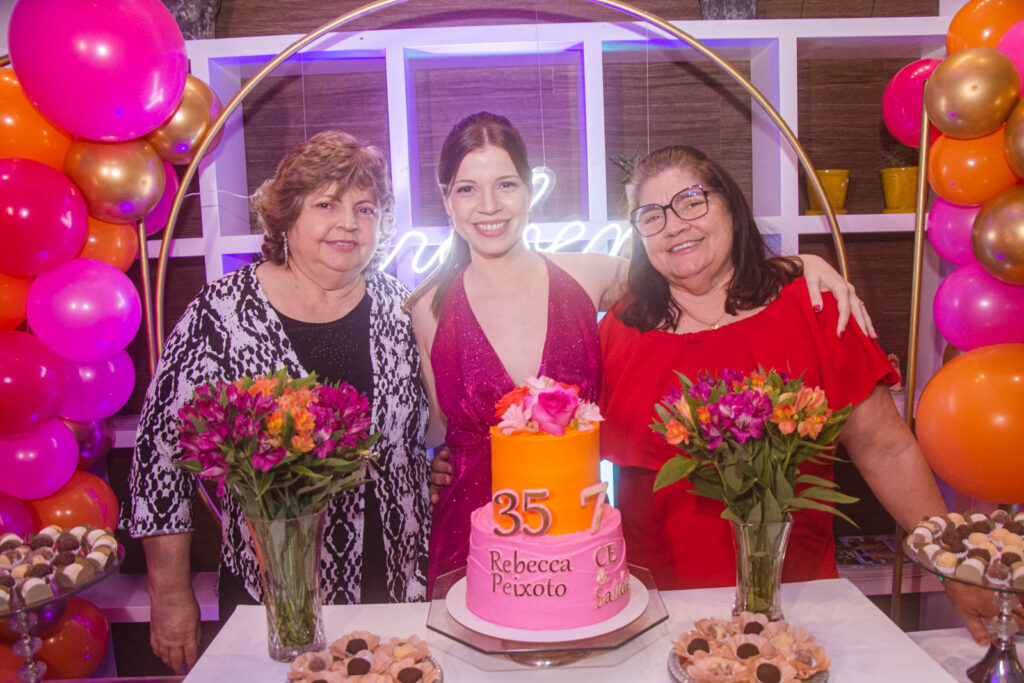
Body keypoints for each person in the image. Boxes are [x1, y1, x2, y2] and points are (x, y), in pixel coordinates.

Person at [413, 112, 872, 594]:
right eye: (467, 189)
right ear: (447, 200)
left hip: (577, 526)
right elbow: (434, 430)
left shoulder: (587, 277)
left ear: (531, 191)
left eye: (505, 184)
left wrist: (802, 263)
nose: (488, 205)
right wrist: (429, 469)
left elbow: (694, 267)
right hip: (472, 533)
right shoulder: (427, 308)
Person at [599, 143, 1003, 642]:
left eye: (692, 201)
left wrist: (951, 563)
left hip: (799, 602)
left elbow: (888, 449)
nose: (675, 225)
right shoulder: (620, 330)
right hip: (659, 609)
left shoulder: (813, 308)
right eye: (651, 215)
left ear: (730, 206)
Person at [123, 131, 431, 673]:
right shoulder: (221, 314)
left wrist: (437, 463)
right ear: (286, 215)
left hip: (398, 586)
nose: (349, 223)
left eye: (365, 208)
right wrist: (169, 596)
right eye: (326, 204)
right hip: (275, 601)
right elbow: (159, 464)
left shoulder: (402, 307)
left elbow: (422, 431)